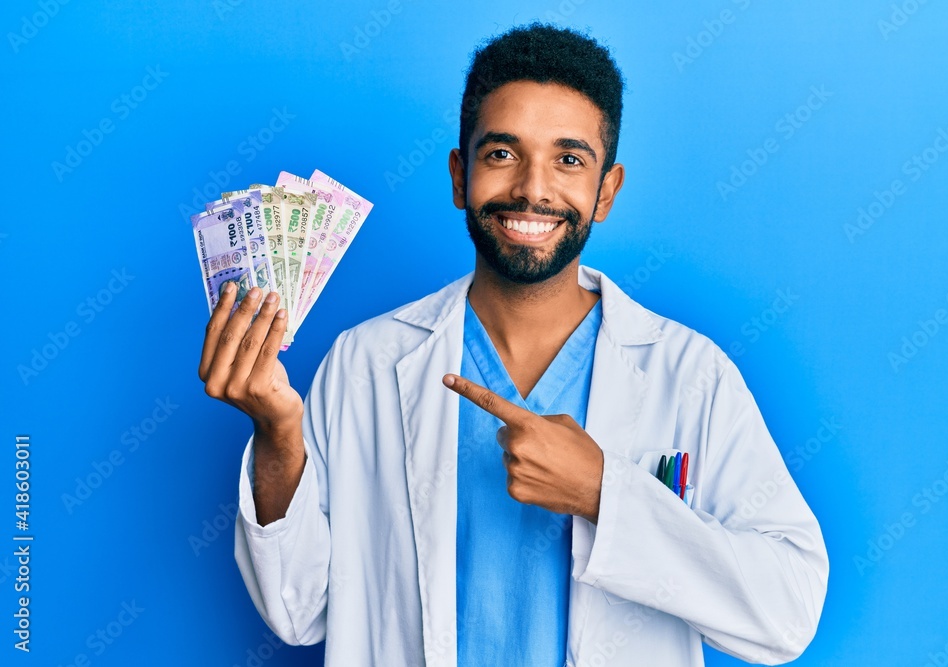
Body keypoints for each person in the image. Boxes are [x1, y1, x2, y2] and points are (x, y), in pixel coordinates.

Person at [198, 22, 828, 667]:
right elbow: (298, 611)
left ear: (605, 191)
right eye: (502, 153)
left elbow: (788, 615)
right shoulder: (368, 361)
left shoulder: (690, 372)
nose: (533, 187)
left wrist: (605, 492)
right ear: (458, 174)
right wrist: (278, 433)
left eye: (569, 159)